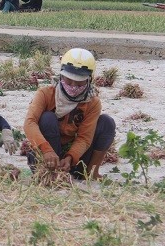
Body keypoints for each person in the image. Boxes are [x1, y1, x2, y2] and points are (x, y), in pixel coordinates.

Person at [23, 48, 116, 180]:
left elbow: (85, 138)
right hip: (45, 155)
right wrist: (47, 150)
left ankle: (91, 172)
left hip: (72, 157)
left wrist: (70, 157)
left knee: (107, 122)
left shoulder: (92, 103)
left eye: (79, 83)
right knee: (47, 118)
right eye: (68, 80)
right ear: (61, 76)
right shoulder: (45, 94)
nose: (73, 86)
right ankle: (50, 173)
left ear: (89, 80)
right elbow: (29, 123)